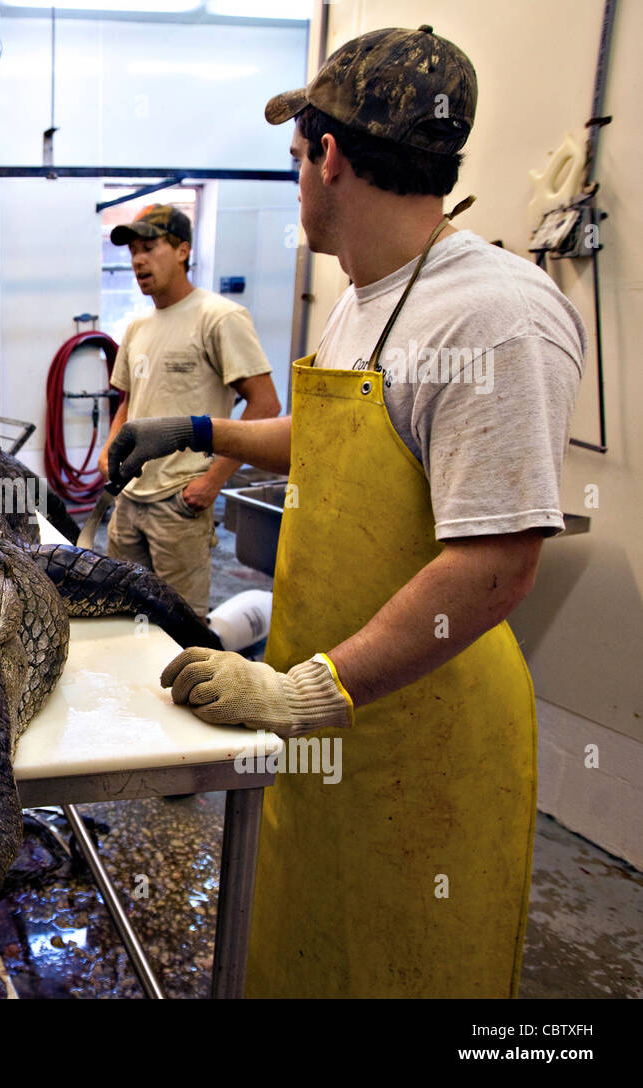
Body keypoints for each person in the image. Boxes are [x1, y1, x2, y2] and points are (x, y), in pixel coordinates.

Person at [108, 26, 585, 998]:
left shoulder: (495, 313)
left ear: (327, 155)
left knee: (406, 964)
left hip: (422, 732)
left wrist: (296, 694)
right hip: (333, 713)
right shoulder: (362, 299)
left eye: (296, 157)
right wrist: (200, 427)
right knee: (306, 949)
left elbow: (495, 565)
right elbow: (328, 443)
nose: (297, 179)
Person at [98, 203, 280, 617]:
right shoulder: (136, 328)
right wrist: (110, 447)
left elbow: (266, 404)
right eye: (132, 252)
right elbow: (128, 399)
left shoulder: (218, 318)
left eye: (148, 247)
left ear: (182, 250)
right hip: (129, 497)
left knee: (180, 626)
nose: (138, 260)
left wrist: (211, 483)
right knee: (118, 609)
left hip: (179, 504)